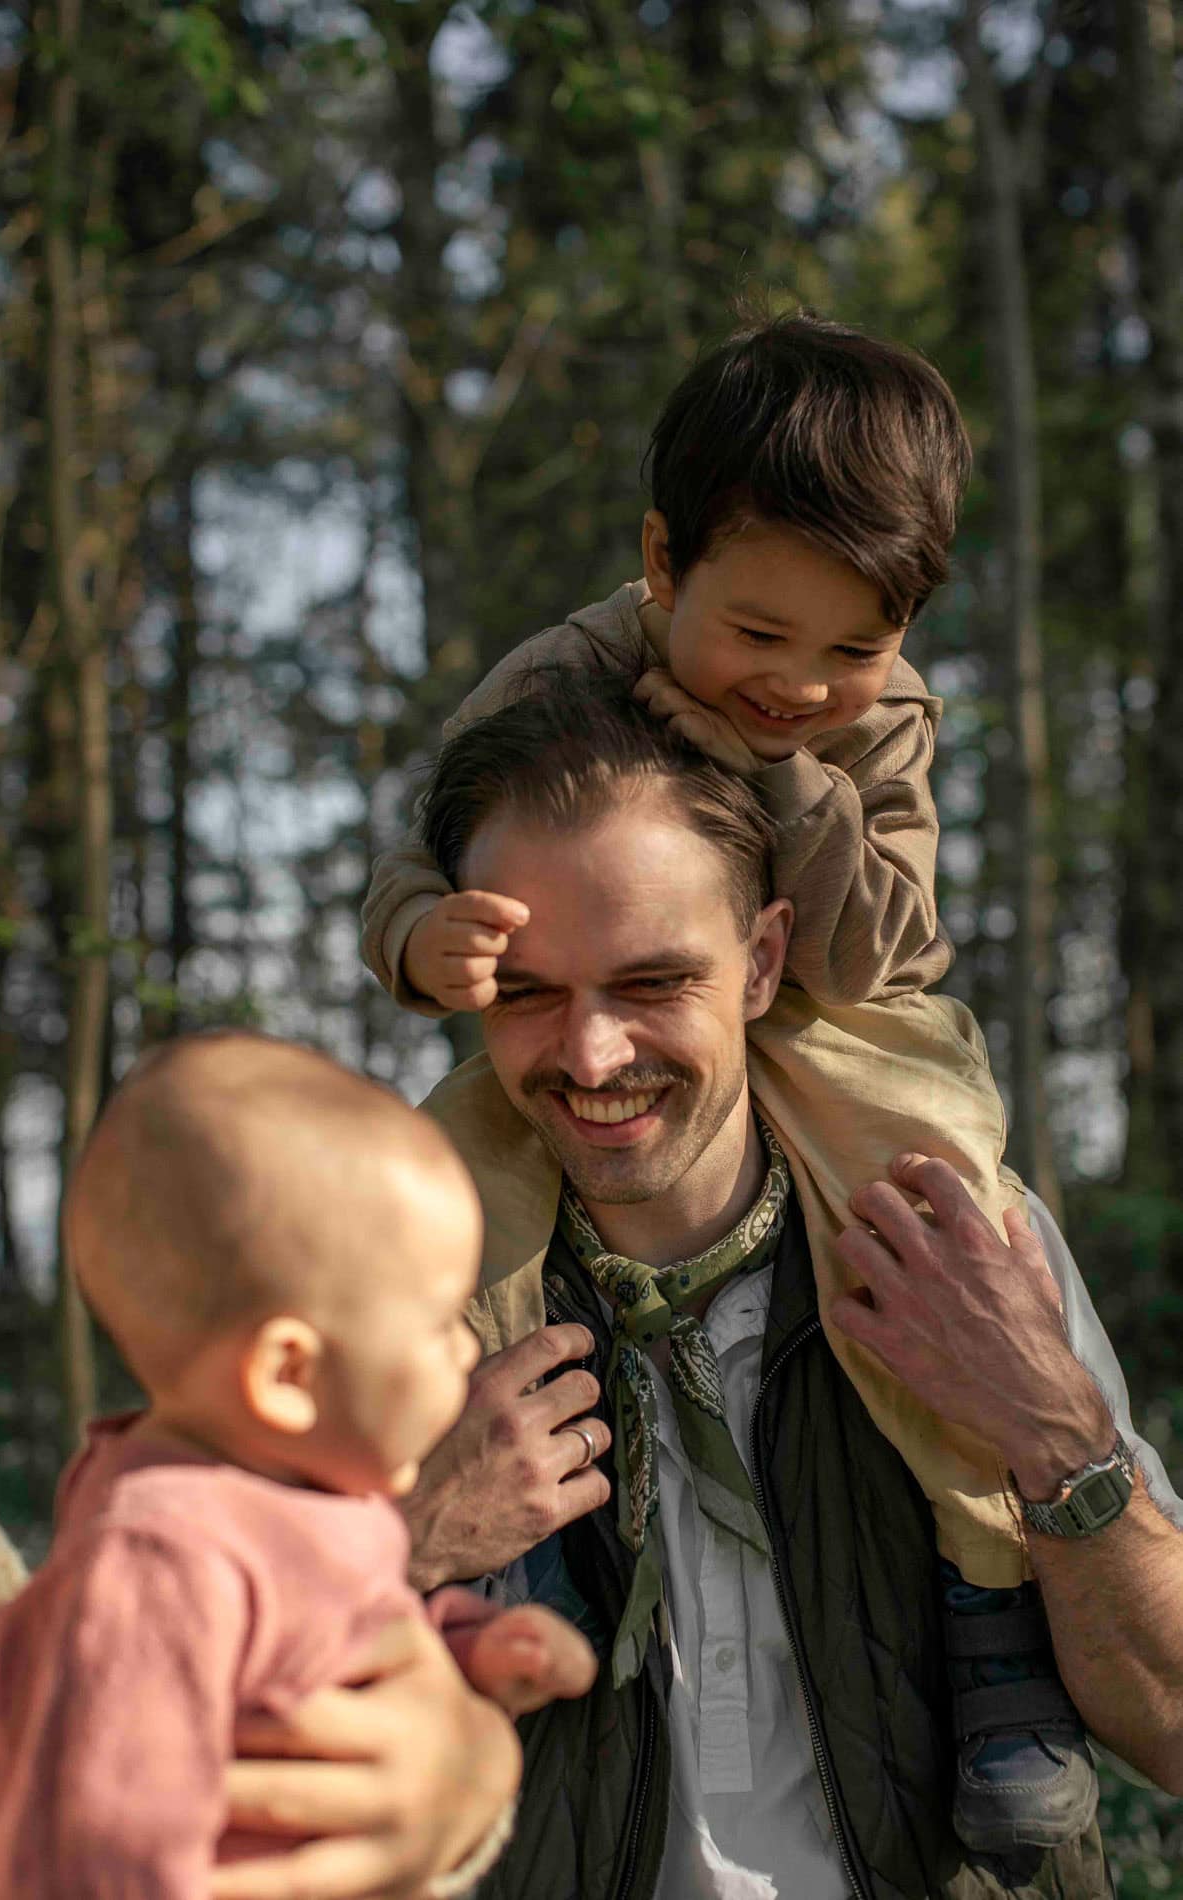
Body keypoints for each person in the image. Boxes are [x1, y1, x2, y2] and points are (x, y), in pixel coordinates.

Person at [361, 308, 1091, 1848]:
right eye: (754, 638)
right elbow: (415, 853)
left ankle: (989, 1620)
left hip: (831, 1029)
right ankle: (502, 1546)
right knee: (428, 1212)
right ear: (658, 565)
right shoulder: (555, 674)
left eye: (850, 648)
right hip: (615, 1036)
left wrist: (780, 779)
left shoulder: (868, 729)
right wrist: (429, 938)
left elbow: (879, 950)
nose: (798, 681)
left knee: (930, 1212)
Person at [397, 674, 1183, 1900]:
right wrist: (401, 1543)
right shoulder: (389, 1302)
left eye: (653, 983)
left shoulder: (962, 1242)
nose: (591, 1052)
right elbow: (180, 1755)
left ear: (761, 961)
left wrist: (1053, 1431)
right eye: (529, 992)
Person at [0, 1036, 594, 1899]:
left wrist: (469, 1655)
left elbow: (311, 1657)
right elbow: (96, 1852)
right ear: (288, 1377)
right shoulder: (159, 1558)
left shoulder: (294, 1502)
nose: (467, 1347)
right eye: (436, 1324)